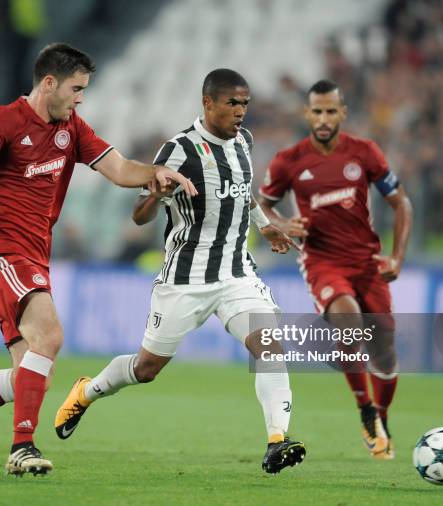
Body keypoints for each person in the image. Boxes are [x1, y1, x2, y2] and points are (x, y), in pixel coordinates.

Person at [0, 42, 197, 476]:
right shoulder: (4, 121)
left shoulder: (72, 127)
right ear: (50, 84)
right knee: (50, 335)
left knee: (29, 373)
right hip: (1, 249)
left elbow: (119, 168)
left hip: (35, 255)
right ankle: (22, 448)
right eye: (77, 88)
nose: (81, 97)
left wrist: (155, 173)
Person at [55, 69, 306, 475]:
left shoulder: (245, 141)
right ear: (208, 103)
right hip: (185, 278)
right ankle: (88, 391)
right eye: (232, 103)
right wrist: (155, 196)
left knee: (269, 346)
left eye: (245, 103)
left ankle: (277, 441)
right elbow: (139, 215)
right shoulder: (179, 150)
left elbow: (243, 192)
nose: (241, 111)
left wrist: (264, 224)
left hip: (236, 274)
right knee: (146, 368)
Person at [258, 79, 412, 460]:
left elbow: (402, 204)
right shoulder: (289, 160)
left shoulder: (364, 152)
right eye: (317, 111)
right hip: (322, 262)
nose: (324, 118)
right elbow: (263, 205)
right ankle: (364, 409)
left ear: (342, 113)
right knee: (350, 323)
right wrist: (281, 225)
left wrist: (397, 259)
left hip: (367, 263)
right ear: (307, 114)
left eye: (331, 111)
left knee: (386, 352)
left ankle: (380, 419)